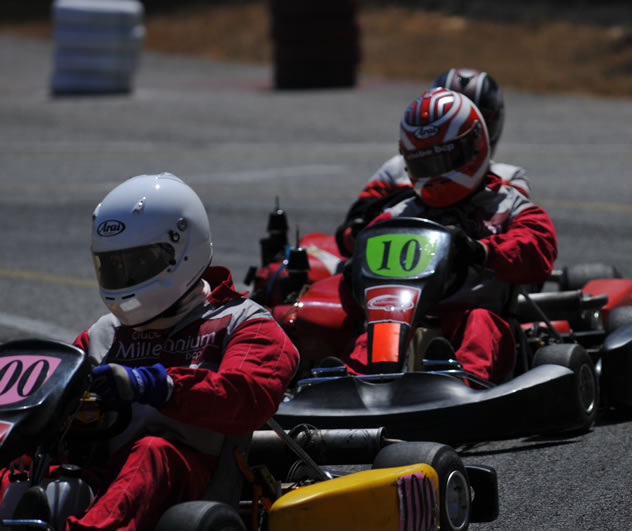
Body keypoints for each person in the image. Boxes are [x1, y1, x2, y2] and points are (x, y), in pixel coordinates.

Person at [2, 173, 299, 530]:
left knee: (152, 452)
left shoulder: (244, 323)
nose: (123, 276)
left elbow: (246, 397)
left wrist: (154, 386)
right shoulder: (102, 334)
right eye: (113, 266)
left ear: (181, 251)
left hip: (188, 483)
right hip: (97, 476)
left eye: (136, 264)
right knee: (16, 465)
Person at [342, 88, 558, 383]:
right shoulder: (398, 216)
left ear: (473, 148)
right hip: (405, 322)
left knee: (480, 324)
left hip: (482, 320)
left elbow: (537, 249)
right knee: (377, 330)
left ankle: (463, 383)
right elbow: (358, 293)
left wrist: (480, 251)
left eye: (441, 161)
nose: (434, 175)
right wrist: (356, 275)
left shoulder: (508, 206)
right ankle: (356, 383)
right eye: (423, 164)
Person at [335, 67, 532, 256]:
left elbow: (523, 241)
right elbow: (350, 233)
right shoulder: (397, 170)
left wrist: (478, 250)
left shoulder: (506, 182)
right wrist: (366, 232)